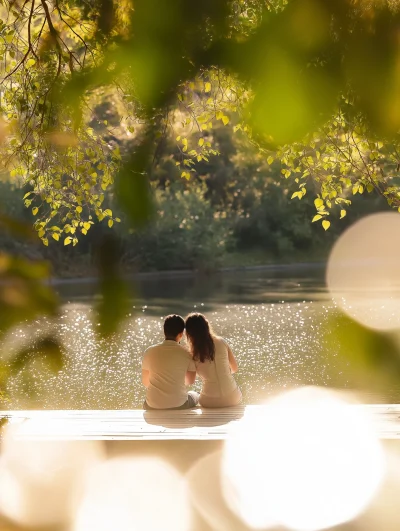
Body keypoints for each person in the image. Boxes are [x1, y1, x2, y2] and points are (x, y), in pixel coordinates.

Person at [141, 314, 199, 410]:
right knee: (195, 394)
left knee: (148, 399)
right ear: (181, 334)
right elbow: (190, 381)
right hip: (179, 404)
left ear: (164, 332)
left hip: (152, 405)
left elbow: (145, 382)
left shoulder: (149, 351)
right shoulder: (187, 353)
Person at [184, 312, 242, 408]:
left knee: (194, 393)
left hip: (209, 401)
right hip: (233, 398)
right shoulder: (222, 342)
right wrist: (223, 374)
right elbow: (235, 368)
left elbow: (190, 380)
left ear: (188, 332)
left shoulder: (191, 353)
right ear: (207, 326)